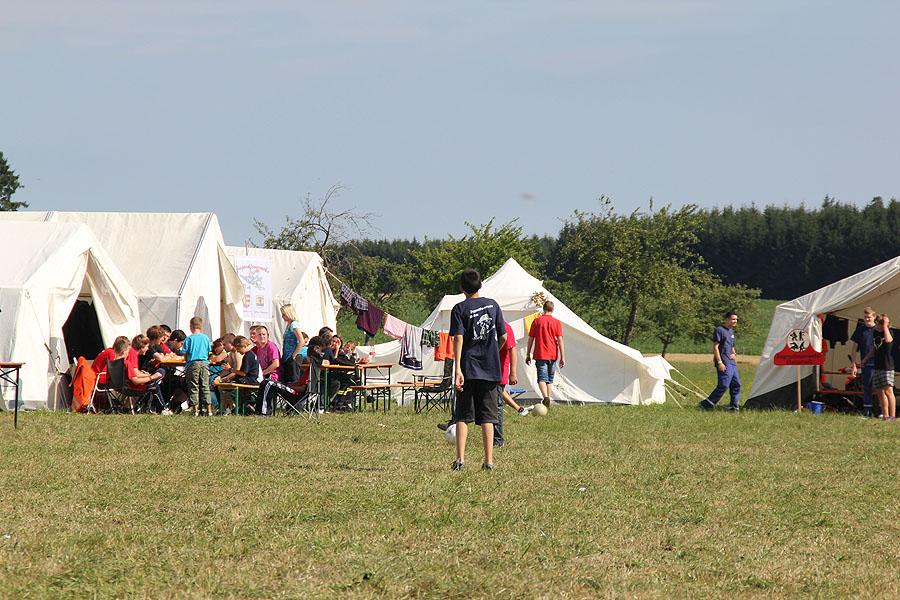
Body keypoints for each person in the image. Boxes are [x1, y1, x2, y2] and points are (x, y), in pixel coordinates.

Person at [450, 268, 506, 472]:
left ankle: (460, 460)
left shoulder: (459, 308)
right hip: (490, 368)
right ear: (481, 284)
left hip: (468, 368)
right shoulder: (493, 305)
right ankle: (489, 461)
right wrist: (492, 352)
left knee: (463, 415)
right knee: (489, 417)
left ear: (461, 288)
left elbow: (458, 338)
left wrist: (457, 369)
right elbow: (504, 337)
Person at [494, 321, 530, 447]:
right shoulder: (484, 326)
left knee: (496, 405)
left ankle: (498, 440)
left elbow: (512, 349)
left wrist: (513, 372)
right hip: (484, 371)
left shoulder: (505, 327)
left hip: (499, 371)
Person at [525, 301, 565, 406]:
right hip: (553, 354)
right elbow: (560, 339)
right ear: (553, 309)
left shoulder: (537, 321)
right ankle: (548, 400)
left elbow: (531, 339)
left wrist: (528, 353)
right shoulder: (556, 322)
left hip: (540, 353)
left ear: (543, 309)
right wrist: (562, 357)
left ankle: (545, 397)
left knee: (542, 378)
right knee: (550, 379)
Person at [700, 311, 741, 411]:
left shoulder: (731, 331)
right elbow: (715, 347)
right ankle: (706, 404)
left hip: (732, 363)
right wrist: (719, 362)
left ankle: (734, 406)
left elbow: (732, 346)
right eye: (733, 319)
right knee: (724, 385)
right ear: (726, 319)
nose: (735, 321)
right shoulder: (719, 330)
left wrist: (734, 354)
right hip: (724, 362)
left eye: (736, 319)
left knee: (736, 384)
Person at [182, 316, 212, 416]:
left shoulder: (189, 339)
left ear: (191, 326)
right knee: (205, 386)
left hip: (192, 363)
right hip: (204, 363)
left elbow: (185, 352)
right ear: (201, 326)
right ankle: (209, 410)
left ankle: (195, 410)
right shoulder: (206, 338)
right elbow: (208, 351)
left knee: (193, 386)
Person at [867, 314, 895, 420]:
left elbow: (888, 341)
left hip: (887, 367)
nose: (877, 325)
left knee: (888, 391)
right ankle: (885, 415)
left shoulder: (889, 332)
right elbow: (875, 349)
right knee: (879, 391)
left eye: (880, 323)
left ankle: (892, 415)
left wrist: (885, 326)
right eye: (878, 323)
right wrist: (865, 359)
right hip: (878, 366)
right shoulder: (875, 333)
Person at [850, 307, 877, 417]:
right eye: (865, 317)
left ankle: (880, 410)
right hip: (865, 364)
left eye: (869, 317)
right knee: (867, 387)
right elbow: (854, 348)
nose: (866, 319)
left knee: (880, 388)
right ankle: (867, 410)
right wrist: (854, 364)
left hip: (879, 363)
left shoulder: (879, 329)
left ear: (874, 317)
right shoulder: (860, 330)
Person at [280, 304, 304, 383]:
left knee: (293, 380)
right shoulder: (288, 325)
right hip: (287, 355)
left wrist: (294, 355)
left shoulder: (294, 325)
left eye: (284, 314)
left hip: (292, 356)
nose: (282, 317)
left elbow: (301, 341)